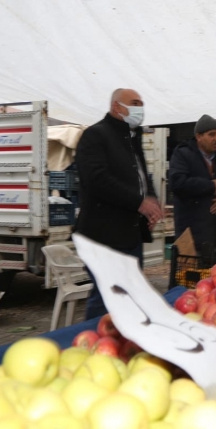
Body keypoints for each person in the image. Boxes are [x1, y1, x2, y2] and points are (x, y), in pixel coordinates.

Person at [75, 88, 163, 319]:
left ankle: (121, 343)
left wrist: (151, 200)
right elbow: (97, 180)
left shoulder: (132, 138)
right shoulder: (95, 136)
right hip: (102, 236)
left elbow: (142, 176)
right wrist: (139, 203)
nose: (140, 109)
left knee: (131, 294)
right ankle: (93, 344)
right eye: (135, 103)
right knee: (106, 297)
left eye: (142, 103)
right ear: (116, 106)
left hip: (130, 235)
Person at [169, 115, 216, 252]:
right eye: (211, 134)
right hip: (192, 239)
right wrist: (210, 186)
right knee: (191, 274)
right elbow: (177, 183)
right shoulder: (183, 154)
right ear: (198, 136)